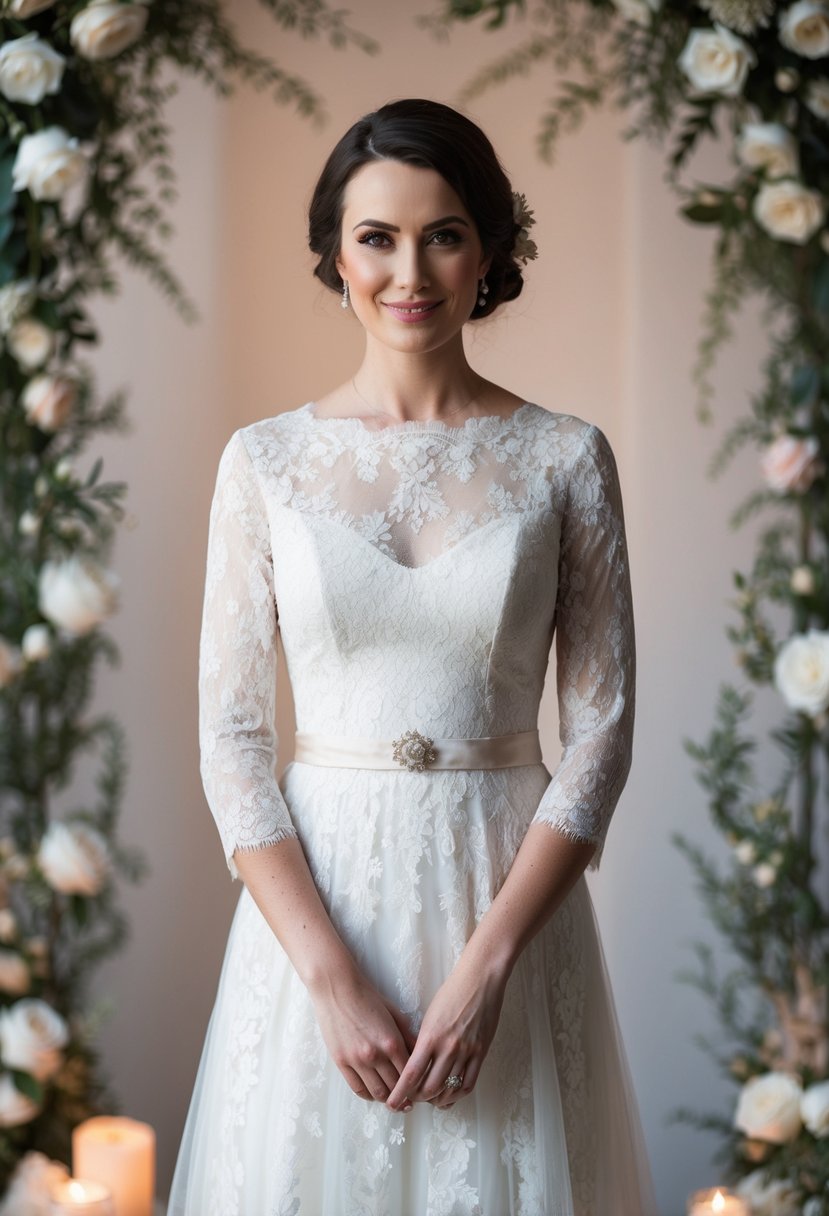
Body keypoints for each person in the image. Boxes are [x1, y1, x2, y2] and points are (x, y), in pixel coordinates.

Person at [168, 97, 658, 1215]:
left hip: (508, 903)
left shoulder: (566, 458)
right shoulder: (263, 463)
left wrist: (491, 967)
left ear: (488, 248)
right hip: (316, 916)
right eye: (375, 236)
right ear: (334, 254)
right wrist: (331, 983)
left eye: (442, 232)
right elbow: (232, 740)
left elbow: (602, 732)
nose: (409, 270)